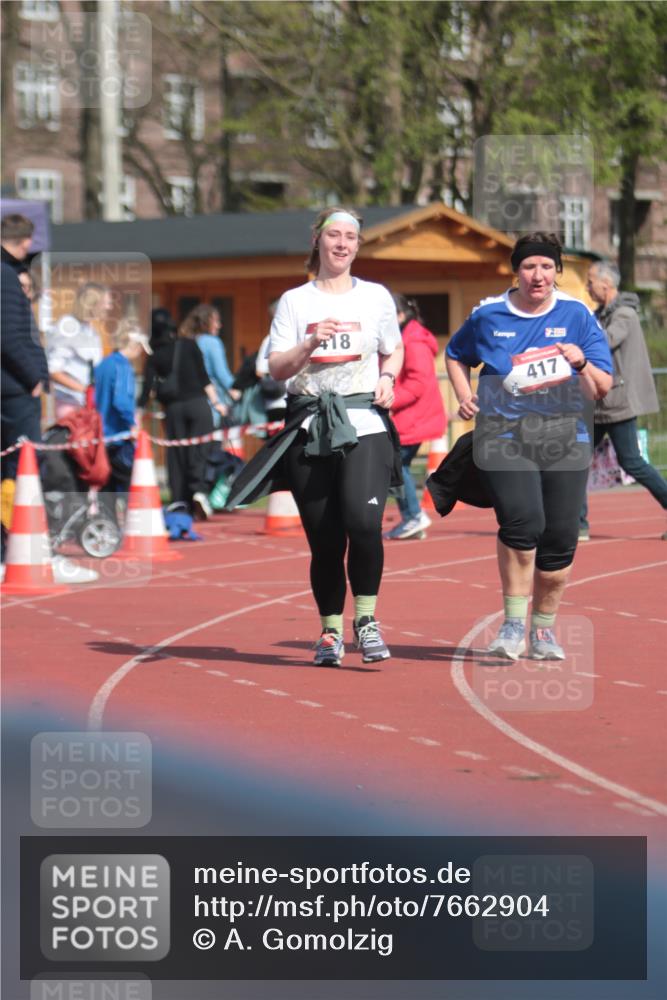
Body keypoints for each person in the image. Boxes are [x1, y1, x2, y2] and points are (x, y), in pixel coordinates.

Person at [226, 206, 404, 666]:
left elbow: (394, 347)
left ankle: (366, 621)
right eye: (334, 236)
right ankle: (329, 632)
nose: (342, 244)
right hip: (309, 426)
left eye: (350, 237)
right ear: (318, 241)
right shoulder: (294, 302)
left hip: (363, 422)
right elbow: (276, 368)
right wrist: (308, 344)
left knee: (364, 526)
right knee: (325, 541)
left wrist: (388, 377)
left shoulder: (376, 298)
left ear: (358, 246)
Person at [446, 232, 613, 660]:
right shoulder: (489, 314)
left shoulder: (577, 315)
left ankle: (542, 631)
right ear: (515, 271)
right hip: (503, 436)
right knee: (522, 526)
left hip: (564, 438)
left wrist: (579, 362)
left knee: (559, 539)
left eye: (545, 267)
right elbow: (455, 352)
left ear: (557, 271)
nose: (537, 276)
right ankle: (512, 626)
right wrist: (464, 393)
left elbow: (602, 387)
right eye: (528, 267)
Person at [580, 261, 667, 540]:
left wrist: (573, 340)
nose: (587, 286)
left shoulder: (625, 315)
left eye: (590, 280)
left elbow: (604, 341)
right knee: (575, 460)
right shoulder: (599, 314)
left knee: (632, 462)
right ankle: (578, 524)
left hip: (619, 403)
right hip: (598, 402)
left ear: (607, 284)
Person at [139, 306, 227, 519]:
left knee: (176, 453)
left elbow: (146, 390)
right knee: (200, 448)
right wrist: (217, 404)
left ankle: (179, 499)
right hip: (198, 405)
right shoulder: (189, 345)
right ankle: (198, 490)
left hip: (173, 409)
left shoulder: (155, 356)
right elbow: (204, 378)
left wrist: (137, 414)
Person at [1, 216, 49, 558]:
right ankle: (20, 544)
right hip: (14, 390)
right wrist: (34, 377)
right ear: (25, 241)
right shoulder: (5, 275)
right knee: (23, 468)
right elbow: (10, 337)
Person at [385, 293, 446, 540]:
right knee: (397, 466)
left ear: (399, 315)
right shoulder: (406, 337)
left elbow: (417, 382)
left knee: (395, 465)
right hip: (411, 415)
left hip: (413, 416)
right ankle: (411, 516)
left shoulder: (413, 341)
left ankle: (413, 515)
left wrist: (390, 398)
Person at [94, 320, 152, 492]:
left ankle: (108, 517)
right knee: (131, 481)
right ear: (133, 345)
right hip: (117, 434)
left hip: (102, 432)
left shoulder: (104, 363)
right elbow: (121, 400)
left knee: (107, 484)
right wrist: (132, 423)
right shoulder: (123, 366)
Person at [46, 282, 111, 420]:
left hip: (88, 404)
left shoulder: (91, 329)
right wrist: (84, 390)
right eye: (105, 302)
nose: (109, 307)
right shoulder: (67, 327)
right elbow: (53, 370)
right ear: (92, 303)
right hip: (70, 405)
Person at [190, 304, 239, 427]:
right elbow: (221, 373)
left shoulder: (189, 341)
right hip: (211, 401)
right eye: (216, 321)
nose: (219, 325)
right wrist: (236, 389)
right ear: (205, 323)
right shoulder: (212, 342)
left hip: (189, 399)